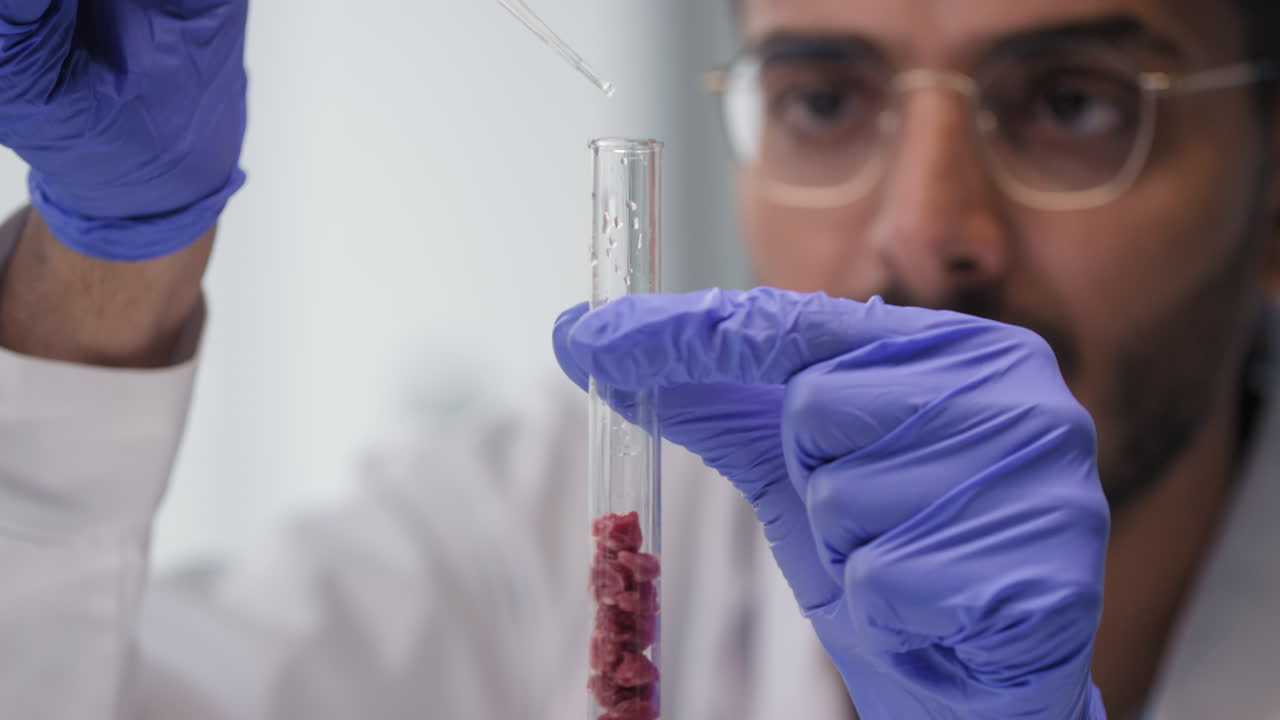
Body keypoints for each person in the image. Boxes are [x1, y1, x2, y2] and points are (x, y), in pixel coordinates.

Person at [0, 0, 1275, 718]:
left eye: (1072, 103)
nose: (926, 232)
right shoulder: (525, 532)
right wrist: (116, 251)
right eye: (822, 99)